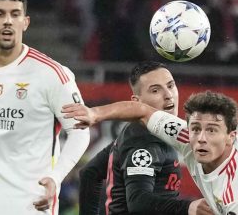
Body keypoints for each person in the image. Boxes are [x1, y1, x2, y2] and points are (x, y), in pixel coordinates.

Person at [0, 0, 90, 214]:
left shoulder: (52, 74)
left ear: (25, 22)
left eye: (15, 14)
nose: (8, 21)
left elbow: (80, 132)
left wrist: (56, 176)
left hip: (30, 206)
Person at [62, 91, 238, 215]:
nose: (200, 138)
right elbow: (142, 111)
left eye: (212, 130)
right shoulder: (185, 136)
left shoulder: (235, 190)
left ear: (231, 137)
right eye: (196, 128)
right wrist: (96, 114)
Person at [78, 61, 212, 215]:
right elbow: (138, 202)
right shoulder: (143, 143)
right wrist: (188, 207)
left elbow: (90, 173)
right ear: (137, 102)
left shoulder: (137, 132)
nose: (168, 95)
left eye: (170, 86)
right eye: (155, 90)